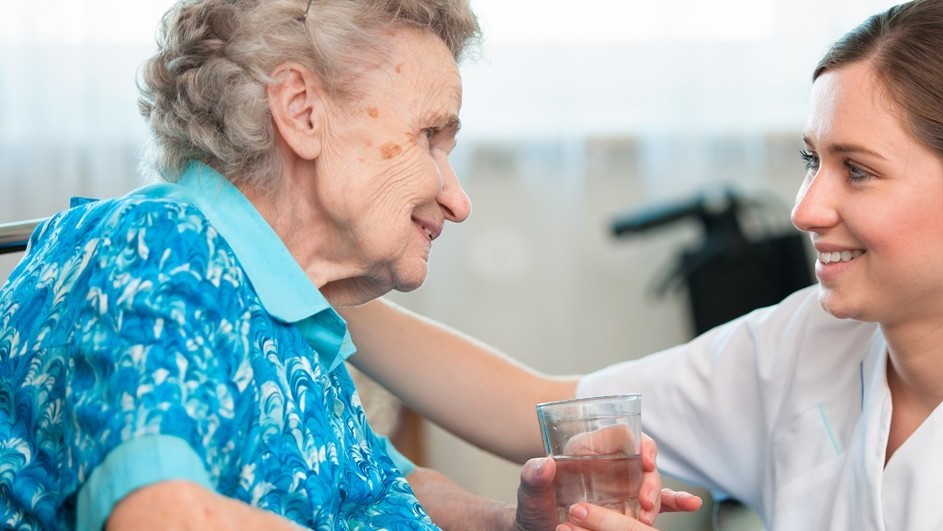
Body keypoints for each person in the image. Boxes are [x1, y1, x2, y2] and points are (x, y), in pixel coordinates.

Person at [341, 0, 943, 529]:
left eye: (857, 170)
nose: (806, 209)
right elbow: (545, 405)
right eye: (811, 160)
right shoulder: (810, 341)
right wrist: (315, 287)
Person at [0, 0, 698, 529]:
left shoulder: (287, 312)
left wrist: (513, 522)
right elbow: (163, 514)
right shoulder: (153, 245)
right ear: (302, 112)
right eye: (429, 136)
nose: (457, 200)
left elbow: (378, 486)